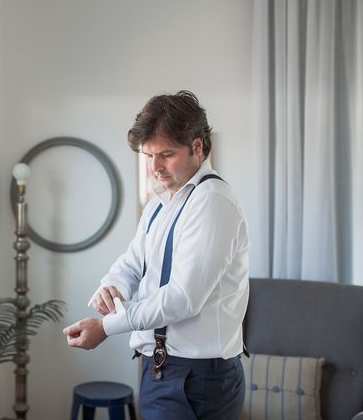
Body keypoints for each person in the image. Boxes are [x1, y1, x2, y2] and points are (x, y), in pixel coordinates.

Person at [63, 90, 249, 420]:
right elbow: (134, 260)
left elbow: (181, 299)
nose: (155, 167)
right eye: (148, 156)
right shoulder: (161, 201)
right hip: (162, 370)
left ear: (197, 147)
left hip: (197, 380)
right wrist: (113, 285)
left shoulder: (212, 202)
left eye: (166, 154)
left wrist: (107, 326)